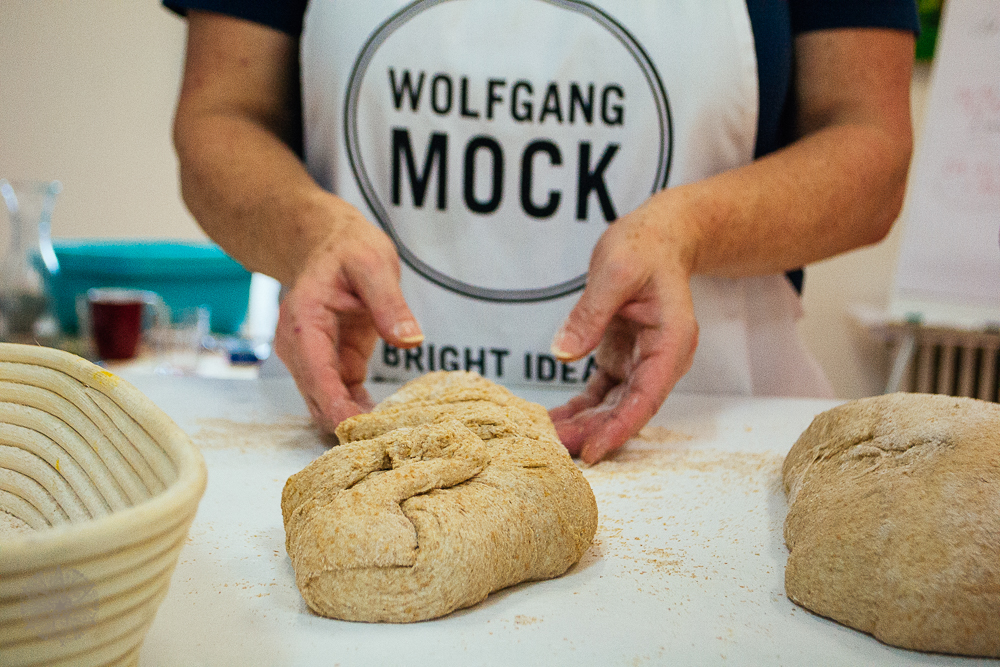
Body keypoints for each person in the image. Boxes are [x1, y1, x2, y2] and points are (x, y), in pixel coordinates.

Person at [166, 0, 918, 463]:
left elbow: (871, 148)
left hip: (696, 436)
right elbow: (219, 115)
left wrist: (687, 229)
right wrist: (310, 233)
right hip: (343, 431)